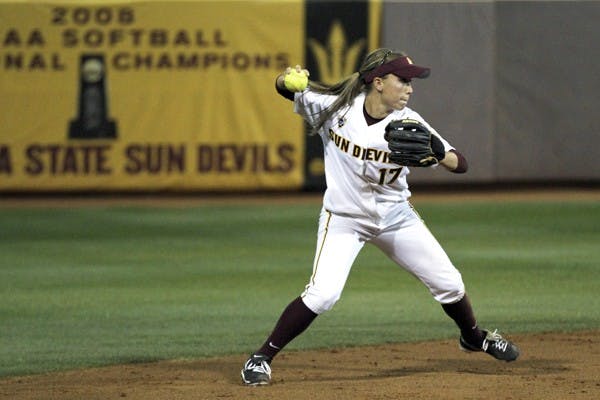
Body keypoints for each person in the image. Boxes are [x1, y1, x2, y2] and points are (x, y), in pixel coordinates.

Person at [240, 48, 519, 386]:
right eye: (403, 80)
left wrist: (436, 151)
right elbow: (288, 87)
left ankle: (473, 337)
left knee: (450, 283)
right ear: (378, 82)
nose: (410, 88)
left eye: (411, 82)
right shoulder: (336, 108)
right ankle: (261, 357)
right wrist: (286, 79)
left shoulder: (410, 122)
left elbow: (461, 164)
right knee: (323, 294)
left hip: (395, 218)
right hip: (344, 218)